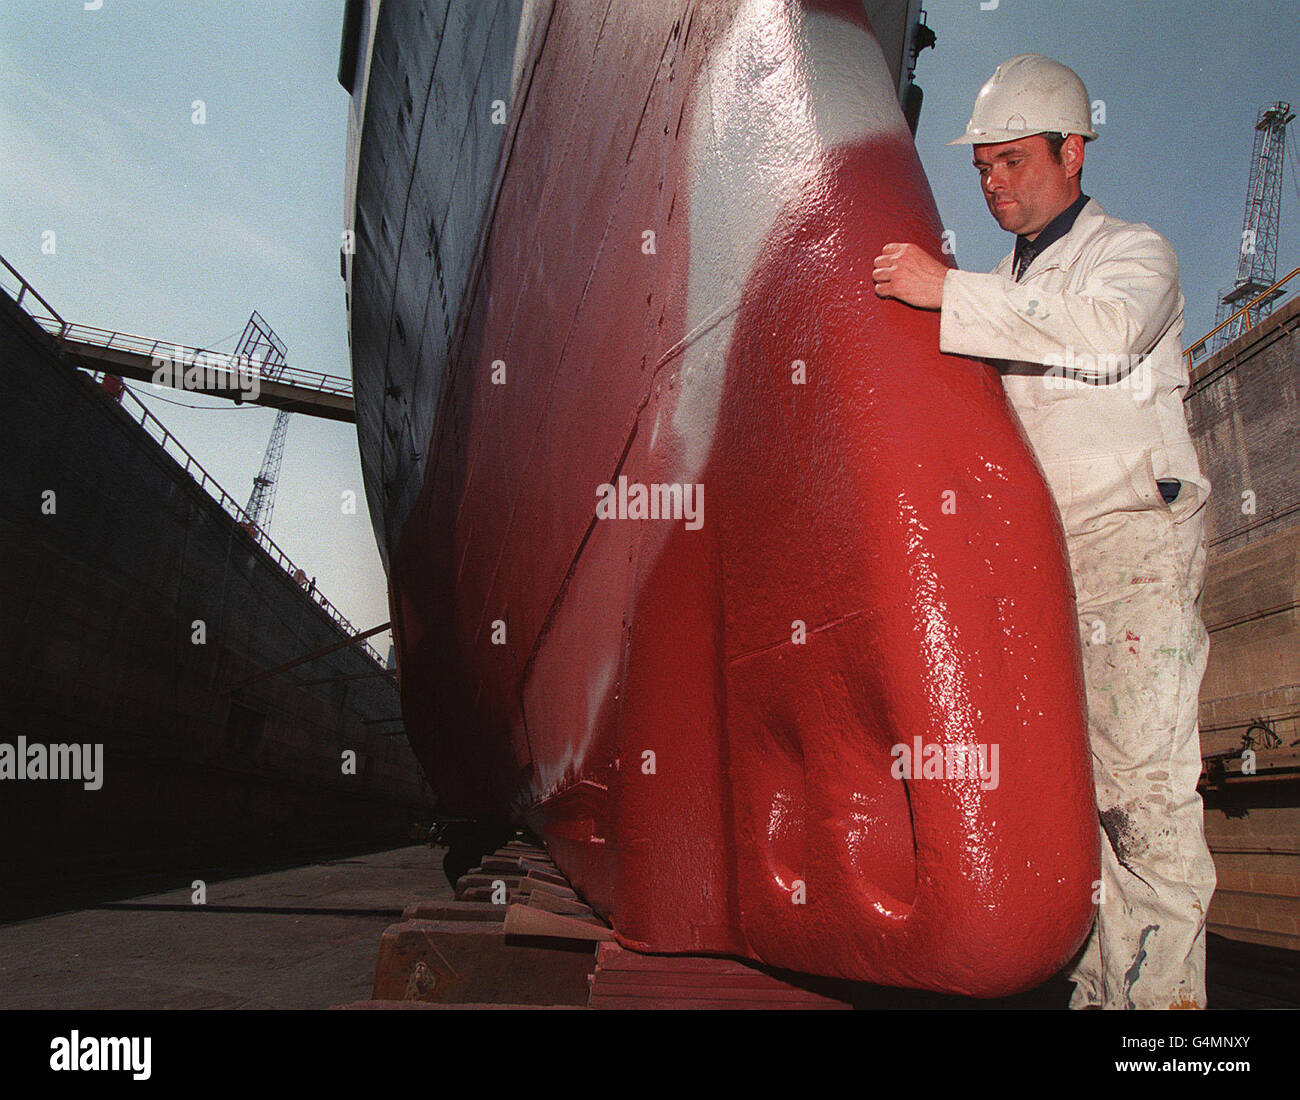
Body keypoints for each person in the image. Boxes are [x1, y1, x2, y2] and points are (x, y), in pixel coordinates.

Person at [870, 54, 1215, 1010]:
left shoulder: (1131, 253)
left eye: (1013, 162)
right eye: (981, 168)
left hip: (1130, 544)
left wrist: (945, 295)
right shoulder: (996, 288)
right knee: (1073, 805)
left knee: (1143, 801)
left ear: (1073, 151)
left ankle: (1166, 1026)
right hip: (1040, 566)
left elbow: (1104, 332)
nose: (993, 184)